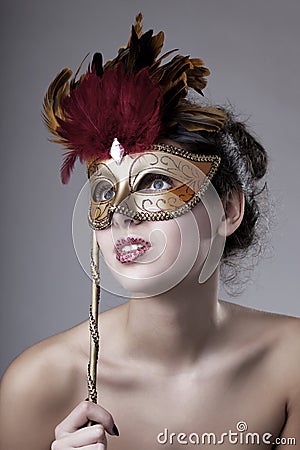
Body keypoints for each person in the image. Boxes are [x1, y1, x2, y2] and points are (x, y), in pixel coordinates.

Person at [0, 14, 299, 450]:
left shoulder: (291, 364)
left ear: (228, 209)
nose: (122, 214)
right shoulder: (37, 384)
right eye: (105, 190)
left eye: (156, 182)